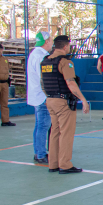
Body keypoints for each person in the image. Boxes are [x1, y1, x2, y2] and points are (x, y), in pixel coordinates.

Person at [40, 35, 90, 173]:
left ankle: (53, 163)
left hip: (50, 100)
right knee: (66, 133)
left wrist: (50, 96)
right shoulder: (64, 62)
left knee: (54, 132)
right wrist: (83, 100)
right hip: (63, 101)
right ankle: (65, 164)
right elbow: (70, 82)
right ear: (65, 46)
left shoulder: (45, 61)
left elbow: (42, 83)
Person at [26, 31, 53, 163]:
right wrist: (48, 95)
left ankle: (39, 151)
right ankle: (41, 154)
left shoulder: (35, 54)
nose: (52, 43)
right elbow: (43, 78)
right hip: (42, 96)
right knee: (43, 125)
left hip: (38, 95)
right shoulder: (40, 57)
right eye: (51, 40)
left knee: (39, 125)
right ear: (46, 41)